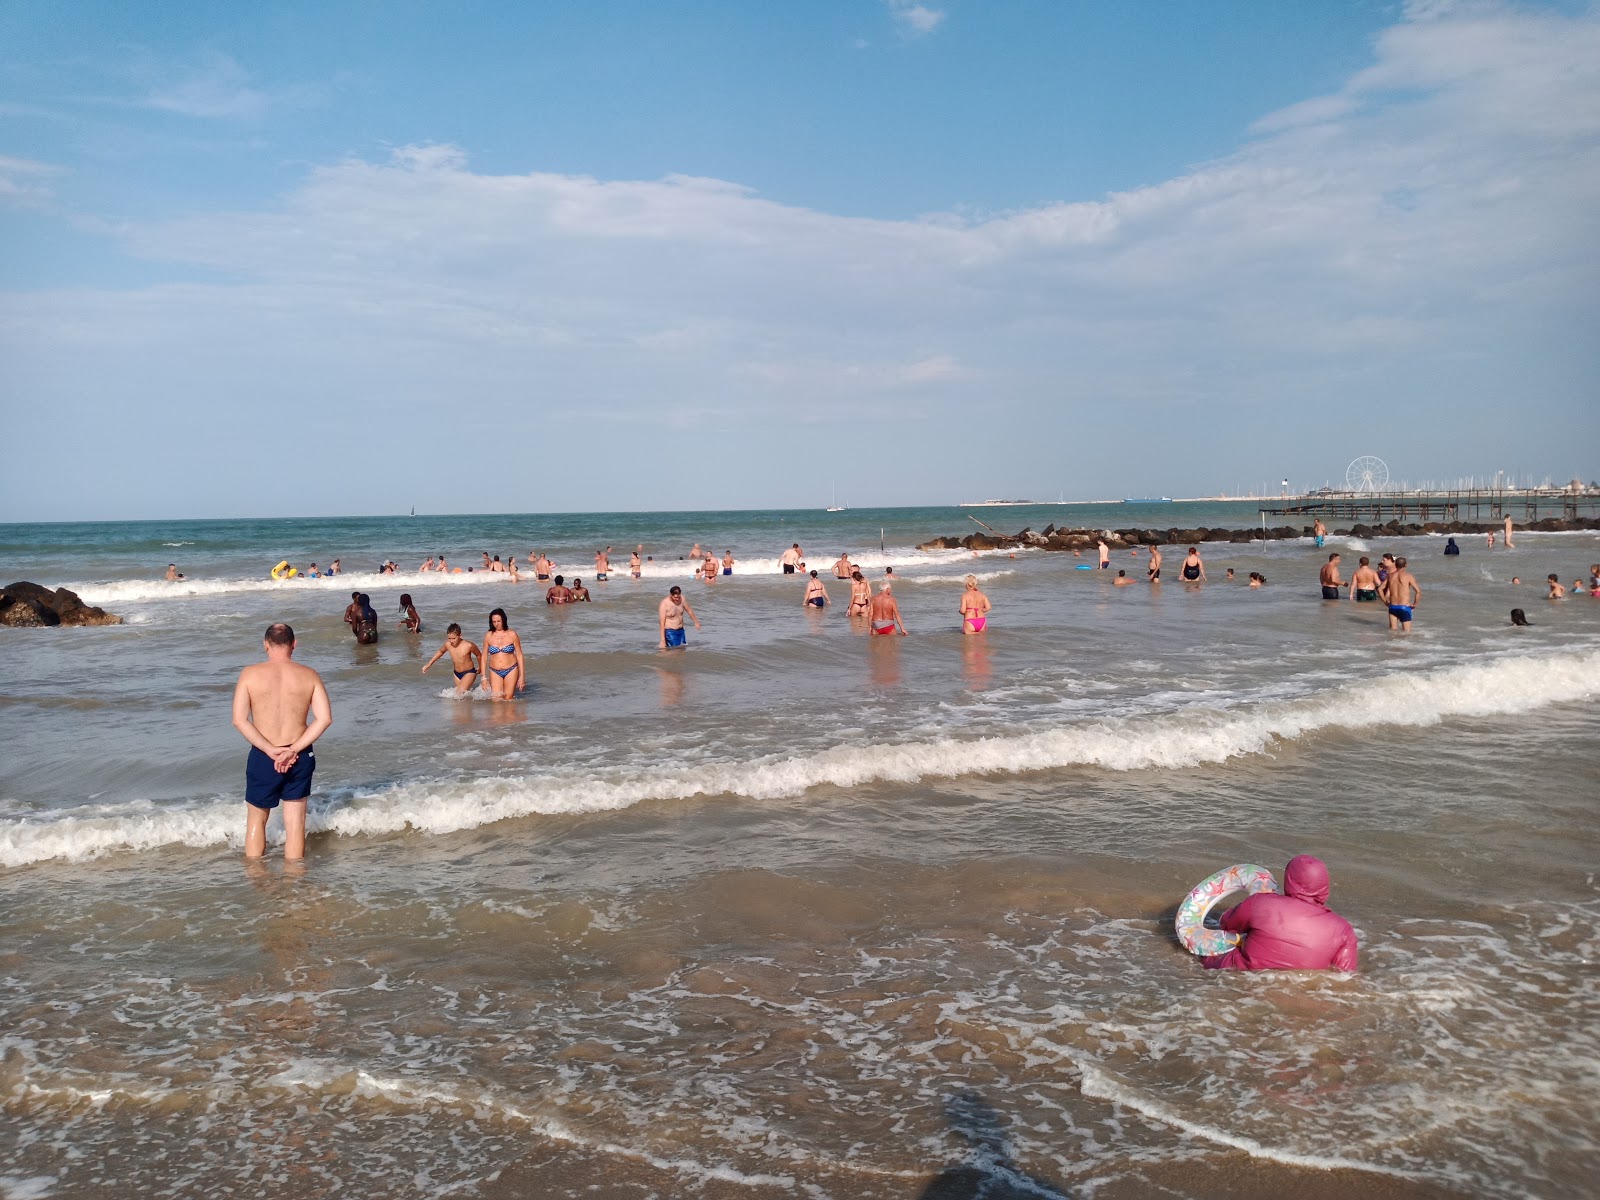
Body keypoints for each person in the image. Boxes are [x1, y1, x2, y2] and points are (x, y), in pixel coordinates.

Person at [232, 622, 332, 860]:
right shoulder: (309, 675)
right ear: (294, 644)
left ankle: (256, 875)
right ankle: (295, 882)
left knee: (257, 818)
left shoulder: (249, 674)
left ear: (266, 644)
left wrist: (270, 750)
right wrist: (292, 750)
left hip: (264, 754)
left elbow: (239, 720)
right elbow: (324, 719)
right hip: (299, 754)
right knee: (295, 822)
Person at [1201, 855, 1358, 972]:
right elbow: (1344, 975)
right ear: (1324, 885)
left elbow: (1227, 925)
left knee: (1204, 951)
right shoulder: (1344, 930)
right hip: (1296, 990)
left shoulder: (1260, 902)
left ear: (1289, 879)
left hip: (1243, 974)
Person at [422, 623, 482, 693]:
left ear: (460, 635)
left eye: (453, 638)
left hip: (469, 672)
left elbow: (479, 655)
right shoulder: (448, 645)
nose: (451, 641)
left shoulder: (469, 645)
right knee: (462, 697)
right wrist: (429, 664)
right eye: (449, 638)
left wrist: (480, 668)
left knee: (458, 693)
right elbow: (440, 652)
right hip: (456, 674)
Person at [481, 608, 523, 699]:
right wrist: (483, 677)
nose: (496, 624)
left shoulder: (512, 634)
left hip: (511, 669)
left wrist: (522, 676)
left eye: (498, 621)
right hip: (494, 671)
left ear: (503, 620)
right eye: (494, 621)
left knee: (508, 699)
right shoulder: (488, 635)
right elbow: (484, 656)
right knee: (496, 700)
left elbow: (519, 655)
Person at [1383, 556, 1421, 632]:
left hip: (1392, 607)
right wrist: (1415, 604)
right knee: (1406, 633)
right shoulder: (1408, 576)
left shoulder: (1390, 576)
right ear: (1406, 565)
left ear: (1395, 565)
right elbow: (1418, 591)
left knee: (1392, 632)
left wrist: (1385, 602)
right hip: (1404, 607)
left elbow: (1380, 589)